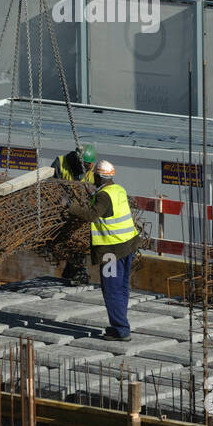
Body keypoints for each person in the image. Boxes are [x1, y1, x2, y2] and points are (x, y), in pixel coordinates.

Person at [67, 159, 140, 341]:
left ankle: (121, 329)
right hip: (128, 246)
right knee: (122, 288)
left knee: (111, 290)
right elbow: (108, 210)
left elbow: (92, 215)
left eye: (95, 178)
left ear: (99, 177)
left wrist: (69, 206)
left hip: (111, 252)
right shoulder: (118, 190)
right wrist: (94, 194)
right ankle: (121, 324)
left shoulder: (103, 196)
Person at [52, 145, 96, 285]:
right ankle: (74, 271)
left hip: (79, 212)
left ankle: (74, 270)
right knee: (68, 239)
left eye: (90, 164)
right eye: (87, 165)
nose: (90, 167)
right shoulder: (61, 162)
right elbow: (51, 186)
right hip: (61, 211)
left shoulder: (92, 171)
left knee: (81, 236)